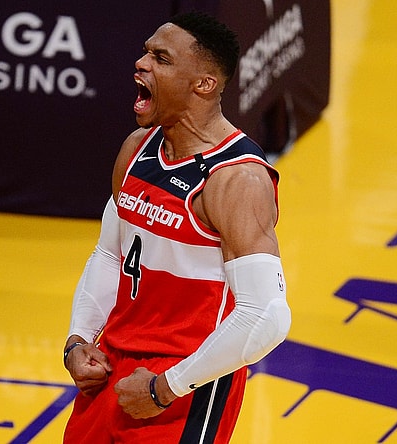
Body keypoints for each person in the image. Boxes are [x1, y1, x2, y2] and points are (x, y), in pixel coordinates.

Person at [62, 11, 291, 443]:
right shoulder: (137, 148)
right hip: (112, 365)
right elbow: (109, 254)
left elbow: (267, 316)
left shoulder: (236, 180)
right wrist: (79, 338)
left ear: (202, 84)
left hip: (185, 381)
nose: (141, 64)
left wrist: (166, 387)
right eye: (145, 52)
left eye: (161, 59)